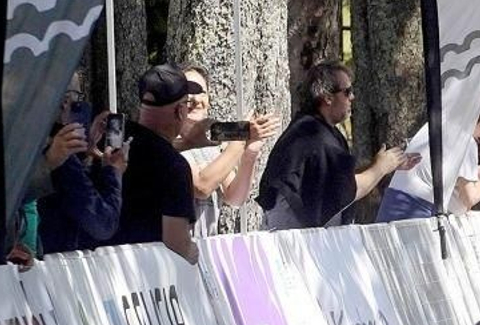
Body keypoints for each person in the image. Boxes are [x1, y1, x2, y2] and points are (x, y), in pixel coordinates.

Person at [256, 62, 416, 230]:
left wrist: (384, 165)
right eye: (347, 92)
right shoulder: (316, 137)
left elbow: (338, 179)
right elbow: (348, 190)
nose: (352, 97)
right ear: (328, 97)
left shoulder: (316, 129)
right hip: (295, 241)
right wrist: (381, 167)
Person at [106, 65, 199, 264]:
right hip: (139, 279)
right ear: (180, 111)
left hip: (86, 270)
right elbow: (177, 245)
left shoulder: (110, 139)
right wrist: (195, 252)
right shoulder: (174, 167)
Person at [376, 92, 480, 221]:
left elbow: (442, 175)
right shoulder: (465, 140)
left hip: (391, 208)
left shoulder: (438, 126)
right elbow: (468, 199)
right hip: (414, 216)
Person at [178, 65, 279, 236]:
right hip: (173, 253)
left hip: (204, 250)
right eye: (188, 92)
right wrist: (240, 139)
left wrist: (250, 152)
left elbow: (235, 197)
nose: (195, 99)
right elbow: (202, 186)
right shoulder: (169, 143)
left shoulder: (211, 147)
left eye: (201, 92)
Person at [39, 89, 127, 254]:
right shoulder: (58, 154)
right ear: (64, 102)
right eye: (78, 98)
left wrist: (86, 151)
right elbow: (103, 223)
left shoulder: (27, 139)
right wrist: (113, 172)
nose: (81, 106)